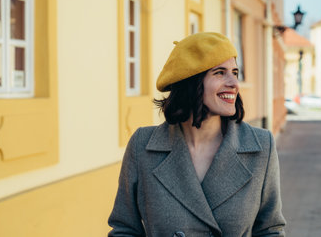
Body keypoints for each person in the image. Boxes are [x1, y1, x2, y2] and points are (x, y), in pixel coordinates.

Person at [108, 32, 286, 236]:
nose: (234, 83)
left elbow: (270, 230)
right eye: (220, 73)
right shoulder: (143, 146)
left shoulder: (261, 147)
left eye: (235, 72)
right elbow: (124, 229)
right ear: (190, 81)